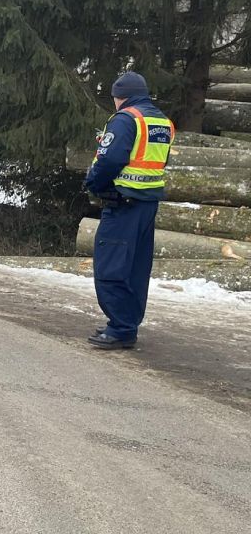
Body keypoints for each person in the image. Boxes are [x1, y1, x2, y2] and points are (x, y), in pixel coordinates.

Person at [84, 71, 175, 350]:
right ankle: (127, 324)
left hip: (122, 203)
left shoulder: (126, 119)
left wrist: (94, 183)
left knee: (110, 264)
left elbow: (110, 159)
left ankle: (121, 329)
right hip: (147, 204)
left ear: (119, 97)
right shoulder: (161, 121)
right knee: (136, 267)